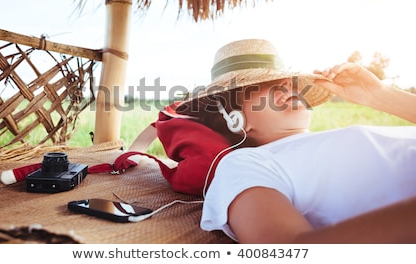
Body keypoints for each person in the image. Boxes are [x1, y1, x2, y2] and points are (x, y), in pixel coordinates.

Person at [176, 39, 416, 243]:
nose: (286, 86)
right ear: (235, 118)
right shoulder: (245, 163)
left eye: (288, 81)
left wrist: (381, 96)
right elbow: (289, 251)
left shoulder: (326, 140)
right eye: (262, 84)